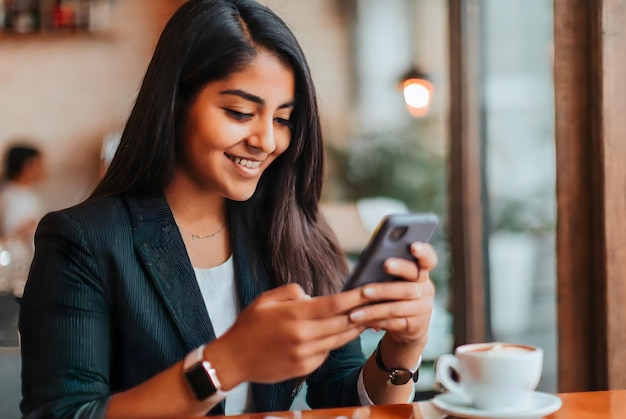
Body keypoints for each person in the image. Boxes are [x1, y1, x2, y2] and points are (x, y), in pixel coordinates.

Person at [18, 0, 438, 417]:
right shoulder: (82, 240)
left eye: (283, 119)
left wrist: (402, 348)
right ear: (176, 103)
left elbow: (342, 399)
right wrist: (227, 363)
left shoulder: (292, 232)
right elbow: (63, 413)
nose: (266, 141)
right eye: (240, 112)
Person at [0, 144, 45, 241]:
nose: (43, 170)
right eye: (39, 164)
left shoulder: (27, 192)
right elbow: (9, 234)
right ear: (27, 166)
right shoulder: (11, 196)